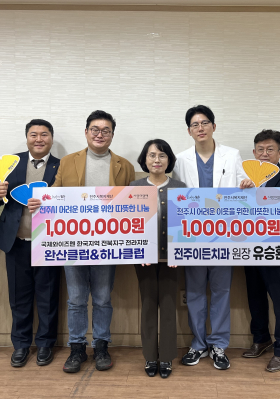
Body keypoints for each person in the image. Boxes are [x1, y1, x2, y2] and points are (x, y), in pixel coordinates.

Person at [28, 110, 135, 373]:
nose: (100, 134)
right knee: (76, 299)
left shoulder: (124, 165)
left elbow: (132, 204)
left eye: (106, 130)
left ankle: (101, 345)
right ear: (86, 132)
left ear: (112, 135)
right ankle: (77, 348)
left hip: (108, 243)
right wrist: (41, 202)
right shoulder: (68, 162)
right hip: (72, 241)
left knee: (102, 298)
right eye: (95, 129)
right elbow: (55, 193)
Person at [173, 105, 249, 370]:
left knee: (221, 291)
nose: (200, 128)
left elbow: (245, 190)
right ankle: (198, 344)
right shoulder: (180, 160)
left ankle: (218, 344)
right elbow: (177, 198)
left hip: (224, 236)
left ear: (214, 126)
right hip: (192, 236)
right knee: (194, 291)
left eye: (205, 123)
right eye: (195, 124)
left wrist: (248, 186)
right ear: (189, 131)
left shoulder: (232, 155)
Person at [0, 119, 61, 368]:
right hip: (16, 241)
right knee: (18, 297)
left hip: (49, 244)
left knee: (48, 297)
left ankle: (45, 344)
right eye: (34, 134)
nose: (39, 139)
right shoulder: (11, 163)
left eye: (44, 134)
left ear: (51, 138)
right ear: (27, 138)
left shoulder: (62, 165)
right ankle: (20, 344)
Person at [241, 130, 280, 373]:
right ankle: (261, 339)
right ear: (254, 152)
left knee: (279, 298)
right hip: (248, 246)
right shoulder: (245, 178)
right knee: (254, 294)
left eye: (270, 149)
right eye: (260, 149)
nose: (264, 154)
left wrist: (266, 200)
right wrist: (243, 192)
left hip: (276, 246)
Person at [130, 139, 186, 379]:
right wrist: (139, 250)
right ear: (144, 159)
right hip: (143, 258)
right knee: (148, 304)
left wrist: (178, 250)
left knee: (169, 304)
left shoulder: (180, 187)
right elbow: (129, 223)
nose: (157, 160)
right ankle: (150, 356)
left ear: (169, 160)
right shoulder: (134, 187)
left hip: (172, 259)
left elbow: (185, 224)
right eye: (152, 155)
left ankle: (167, 358)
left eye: (162, 155)